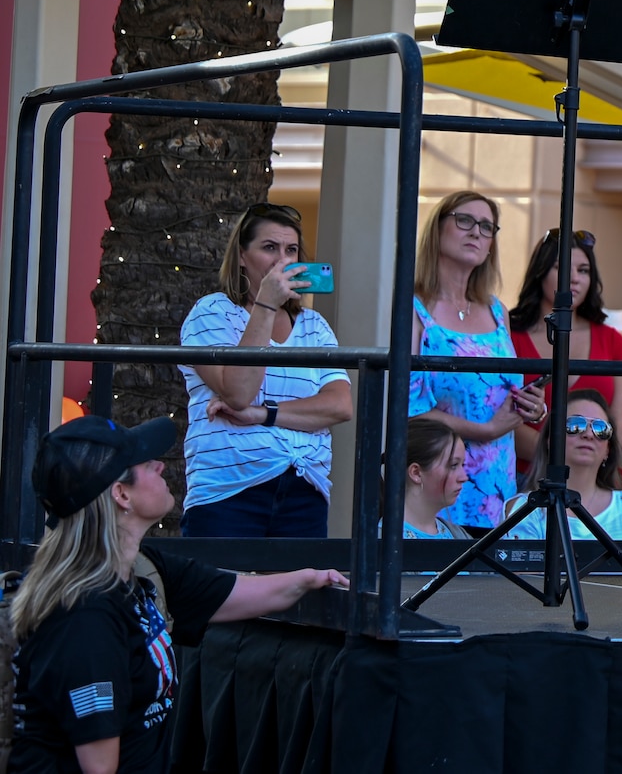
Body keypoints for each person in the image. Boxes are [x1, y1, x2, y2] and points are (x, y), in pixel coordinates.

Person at [10, 416, 344, 774]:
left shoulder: (142, 569)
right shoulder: (85, 617)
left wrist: (312, 577)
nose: (159, 464)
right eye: (144, 462)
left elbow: (236, 593)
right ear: (120, 494)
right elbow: (100, 768)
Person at [177, 202, 354, 538]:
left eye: (291, 250)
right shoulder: (213, 312)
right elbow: (238, 391)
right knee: (225, 589)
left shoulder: (313, 325)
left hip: (305, 486)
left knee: (300, 590)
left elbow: (339, 406)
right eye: (270, 248)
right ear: (242, 256)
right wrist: (267, 304)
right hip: (230, 489)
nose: (282, 260)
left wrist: (262, 414)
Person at [406, 191, 547, 531]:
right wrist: (486, 430)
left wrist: (533, 406)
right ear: (437, 230)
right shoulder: (413, 308)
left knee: (490, 584)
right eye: (464, 220)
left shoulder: (498, 311)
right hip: (436, 484)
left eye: (487, 227)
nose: (476, 232)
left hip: (497, 484)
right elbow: (408, 410)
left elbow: (505, 393)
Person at [508, 227, 622, 475]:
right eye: (561, 268)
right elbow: (500, 419)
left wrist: (584, 463)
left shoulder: (612, 339)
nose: (574, 278)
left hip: (598, 479)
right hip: (528, 478)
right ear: (540, 273)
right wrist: (560, 459)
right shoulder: (510, 337)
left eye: (584, 270)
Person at [504, 388, 622, 542]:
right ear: (550, 439)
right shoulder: (524, 508)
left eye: (600, 428)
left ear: (608, 448)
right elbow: (522, 570)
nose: (588, 434)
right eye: (575, 425)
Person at [397, 415, 470, 540]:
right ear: (416, 473)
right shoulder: (385, 541)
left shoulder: (458, 535)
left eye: (462, 465)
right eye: (453, 465)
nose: (464, 477)